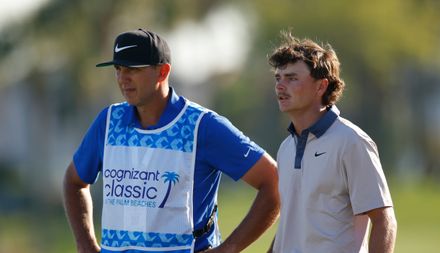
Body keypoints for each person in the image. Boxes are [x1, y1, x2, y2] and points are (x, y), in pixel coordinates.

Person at [63, 28, 280, 253]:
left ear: (162, 72)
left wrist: (229, 248)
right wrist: (85, 243)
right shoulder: (108, 121)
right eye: (118, 69)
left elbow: (273, 182)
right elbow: (74, 181)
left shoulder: (202, 126)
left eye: (132, 69)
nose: (122, 78)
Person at [267, 31, 397, 253]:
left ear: (321, 86)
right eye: (278, 78)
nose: (280, 86)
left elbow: (384, 222)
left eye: (292, 78)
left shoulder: (352, 142)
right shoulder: (286, 148)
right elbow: (291, 225)